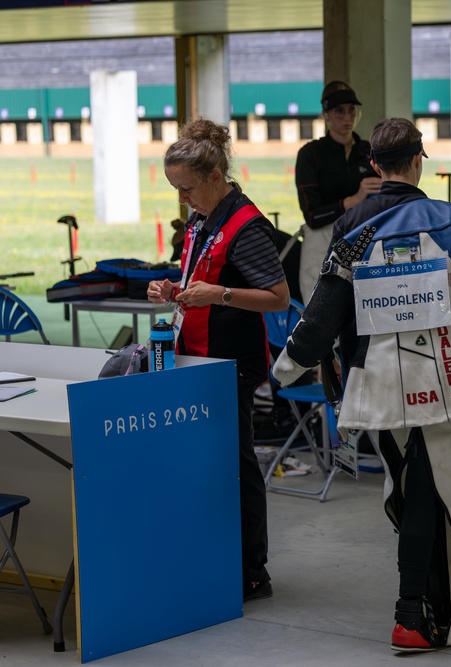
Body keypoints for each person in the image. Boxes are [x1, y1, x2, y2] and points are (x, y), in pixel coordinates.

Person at [272, 117, 451, 653]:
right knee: (439, 497)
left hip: (377, 385)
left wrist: (285, 369)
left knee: (409, 492)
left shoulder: (350, 226)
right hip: (444, 382)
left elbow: (322, 313)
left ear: (373, 165)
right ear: (418, 161)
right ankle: (418, 614)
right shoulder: (448, 218)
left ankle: (419, 609)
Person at [146, 117, 290, 604]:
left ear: (213, 177)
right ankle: (216, 556)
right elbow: (200, 275)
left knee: (235, 464)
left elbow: (278, 298)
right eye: (175, 191)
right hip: (195, 356)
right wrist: (173, 287)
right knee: (205, 463)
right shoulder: (202, 216)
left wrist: (220, 294)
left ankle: (253, 571)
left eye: (186, 189)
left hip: (231, 361)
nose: (182, 200)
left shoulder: (246, 226)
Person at [295, 80, 381, 303]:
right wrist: (353, 200)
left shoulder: (369, 152)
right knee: (318, 312)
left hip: (363, 236)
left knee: (365, 311)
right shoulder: (311, 154)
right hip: (321, 237)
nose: (347, 117)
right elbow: (312, 216)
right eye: (339, 111)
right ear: (326, 114)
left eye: (352, 110)